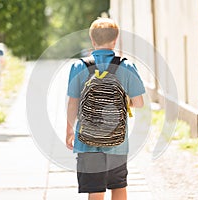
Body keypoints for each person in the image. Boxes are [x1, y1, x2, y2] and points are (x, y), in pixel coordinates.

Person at [66, 17, 145, 200]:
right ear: (115, 40)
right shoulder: (125, 66)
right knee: (118, 186)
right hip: (117, 142)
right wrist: (126, 101)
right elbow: (139, 103)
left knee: (95, 190)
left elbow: (73, 103)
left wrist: (70, 130)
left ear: (92, 40)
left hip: (87, 141)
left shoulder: (79, 66)